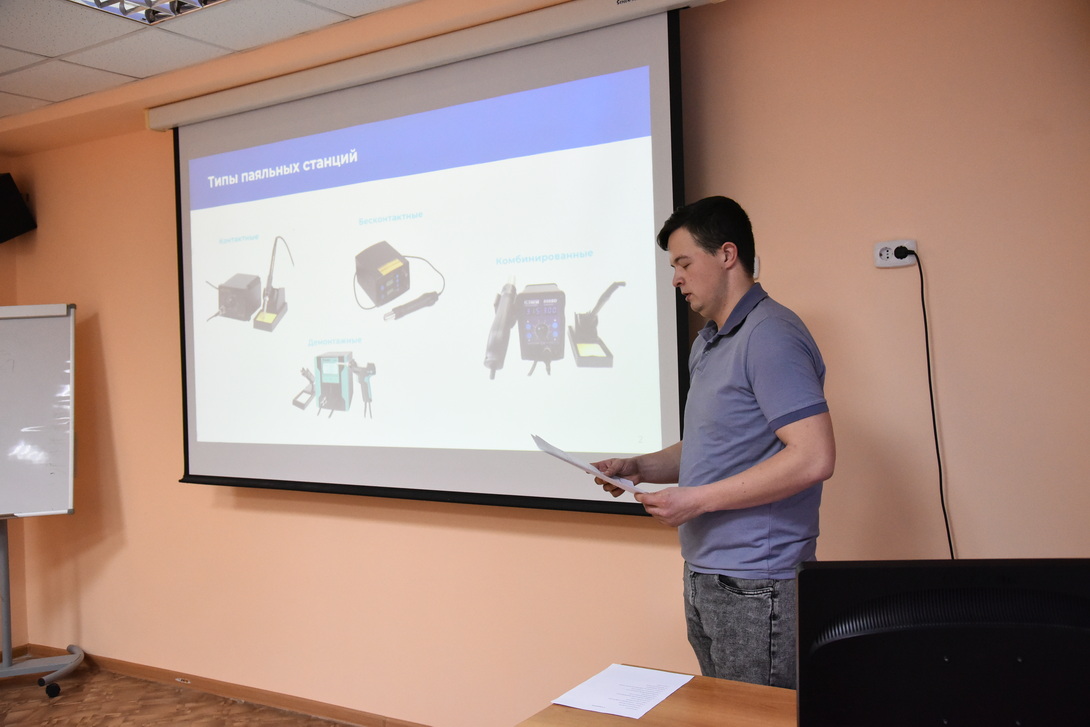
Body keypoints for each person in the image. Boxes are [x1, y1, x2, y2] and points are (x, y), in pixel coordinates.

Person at [593, 196, 834, 689]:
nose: (676, 279)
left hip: (758, 582)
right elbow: (712, 443)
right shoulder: (709, 341)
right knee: (724, 715)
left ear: (727, 255)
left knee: (755, 720)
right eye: (673, 267)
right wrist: (639, 466)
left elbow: (813, 457)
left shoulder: (770, 335)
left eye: (684, 264)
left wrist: (697, 500)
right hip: (707, 574)